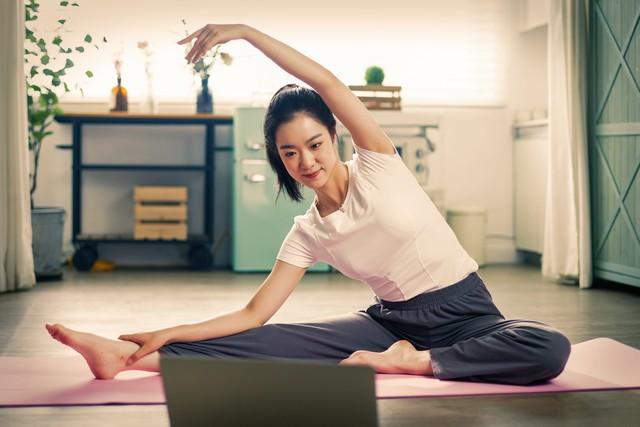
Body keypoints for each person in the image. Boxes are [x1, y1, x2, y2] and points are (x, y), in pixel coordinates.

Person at [46, 24, 571, 385]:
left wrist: (247, 33)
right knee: (275, 343)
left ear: (335, 136)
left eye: (315, 144)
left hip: (469, 316)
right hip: (388, 325)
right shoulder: (308, 231)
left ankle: (417, 364)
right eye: (289, 152)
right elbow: (253, 314)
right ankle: (128, 360)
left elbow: (325, 82)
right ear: (278, 158)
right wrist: (166, 332)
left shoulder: (379, 163)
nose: (306, 160)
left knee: (549, 348)